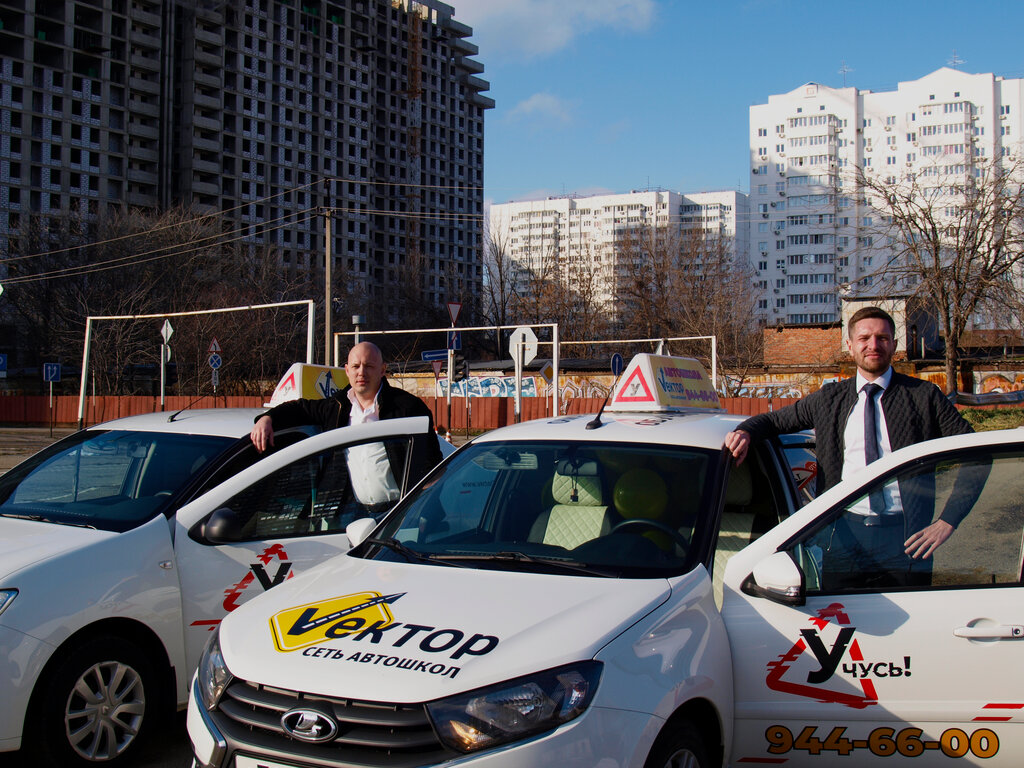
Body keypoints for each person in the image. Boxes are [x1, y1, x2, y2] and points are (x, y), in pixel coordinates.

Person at [724, 306, 974, 580]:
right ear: (850, 345)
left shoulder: (925, 396)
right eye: (864, 338)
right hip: (842, 537)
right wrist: (745, 432)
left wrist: (948, 520)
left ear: (894, 344)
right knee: (841, 609)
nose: (873, 345)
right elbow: (774, 421)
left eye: (882, 338)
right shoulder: (828, 398)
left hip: (908, 540)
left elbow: (975, 454)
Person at [251, 342, 443, 514]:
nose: (361, 372)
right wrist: (267, 418)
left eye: (369, 366)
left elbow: (432, 467)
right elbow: (300, 408)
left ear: (382, 370)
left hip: (400, 513)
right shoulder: (337, 407)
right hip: (353, 514)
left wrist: (423, 514)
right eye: (356, 366)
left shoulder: (408, 407)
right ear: (347, 370)